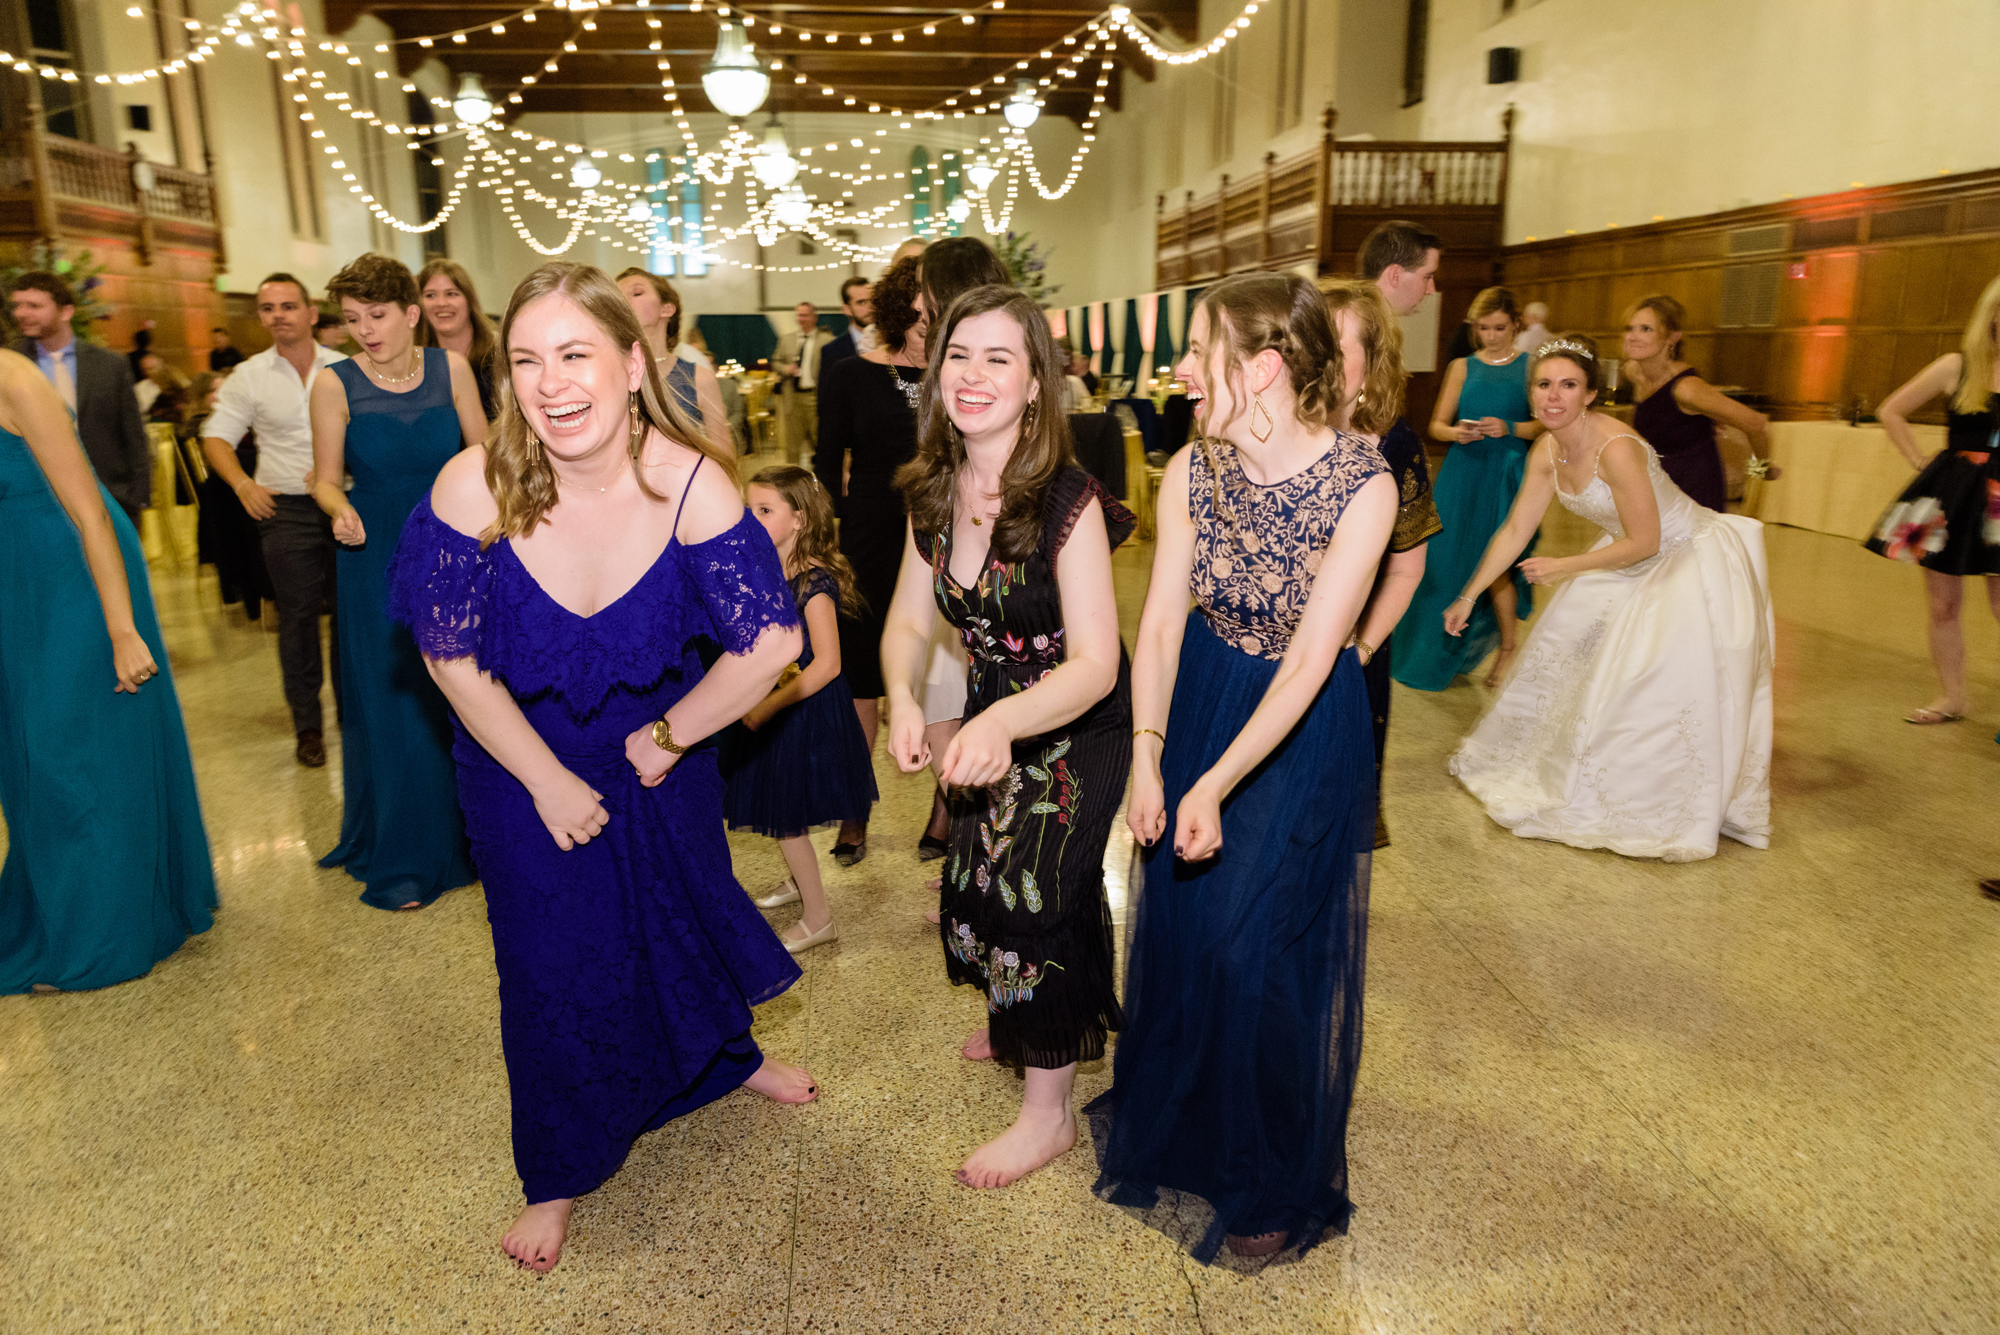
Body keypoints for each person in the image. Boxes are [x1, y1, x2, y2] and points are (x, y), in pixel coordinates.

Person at [387, 260, 817, 1274]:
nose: (549, 381)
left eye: (574, 353)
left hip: (654, 751)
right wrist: (543, 778)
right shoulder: (472, 484)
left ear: (632, 362)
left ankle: (722, 1062)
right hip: (511, 754)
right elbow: (447, 659)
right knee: (551, 963)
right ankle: (558, 1170)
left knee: (677, 910)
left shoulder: (691, 481)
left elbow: (773, 643)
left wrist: (672, 736)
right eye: (525, 359)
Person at [1089, 272, 1396, 1267]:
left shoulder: (1365, 486)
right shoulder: (1191, 468)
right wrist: (1147, 757)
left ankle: (1270, 1174)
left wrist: (1213, 782)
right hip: (1204, 695)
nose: (1178, 369)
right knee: (1182, 923)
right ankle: (1184, 1129)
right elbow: (1161, 621)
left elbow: (1314, 658)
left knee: (1254, 946)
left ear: (1261, 366)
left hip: (1299, 724)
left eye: (1198, 350)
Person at [881, 283, 1133, 1190]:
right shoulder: (932, 492)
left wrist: (994, 719)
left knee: (1037, 891)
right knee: (979, 874)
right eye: (959, 355)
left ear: (1036, 384)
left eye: (1000, 359)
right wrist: (904, 701)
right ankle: (1013, 1017)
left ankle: (1049, 1112)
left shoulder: (1069, 502)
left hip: (1074, 720)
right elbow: (910, 623)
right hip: (994, 711)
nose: (974, 375)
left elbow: (1097, 663)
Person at [1447, 335, 1774, 861]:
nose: (1554, 397)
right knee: (1580, 661)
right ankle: (1583, 769)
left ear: (1591, 395)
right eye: (1544, 385)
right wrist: (1468, 594)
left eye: (1568, 386)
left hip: (1688, 555)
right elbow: (1512, 530)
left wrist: (1564, 566)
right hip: (1626, 553)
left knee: (1647, 677)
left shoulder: (1617, 449)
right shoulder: (1546, 449)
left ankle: (1658, 792)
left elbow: (1646, 541)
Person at [0, 345, 216, 994]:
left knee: (69, 746)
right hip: (15, 586)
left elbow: (89, 509)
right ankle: (65, 909)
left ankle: (103, 932)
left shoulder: (16, 379)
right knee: (26, 756)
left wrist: (123, 630)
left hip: (74, 571)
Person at [814, 237, 1012, 865]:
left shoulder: (967, 374)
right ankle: (853, 810)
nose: (922, 293)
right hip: (872, 531)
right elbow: (825, 466)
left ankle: (947, 810)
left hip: (949, 525)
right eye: (914, 280)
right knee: (862, 676)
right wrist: (824, 544)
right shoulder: (849, 372)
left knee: (944, 676)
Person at [309, 253, 485, 910]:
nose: (365, 330)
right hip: (373, 549)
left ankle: (476, 837)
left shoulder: (453, 369)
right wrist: (338, 507)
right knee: (396, 704)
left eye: (377, 315)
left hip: (449, 543)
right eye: (353, 319)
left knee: (460, 693)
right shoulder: (334, 383)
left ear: (411, 313)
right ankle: (407, 851)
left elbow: (486, 455)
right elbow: (324, 476)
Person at [722, 464, 878, 954]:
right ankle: (799, 882)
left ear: (800, 519)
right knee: (776, 804)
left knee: (786, 818)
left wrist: (768, 708)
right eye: (749, 508)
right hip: (778, 702)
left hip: (803, 708)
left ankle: (818, 918)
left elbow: (828, 664)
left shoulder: (814, 582)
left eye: (765, 510)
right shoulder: (769, 568)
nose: (752, 518)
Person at [201, 274, 350, 767]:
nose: (279, 314)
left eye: (289, 305)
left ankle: (354, 715)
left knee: (351, 616)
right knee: (299, 618)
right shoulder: (249, 375)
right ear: (262, 317)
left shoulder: (348, 366)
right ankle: (308, 726)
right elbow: (216, 436)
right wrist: (243, 485)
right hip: (286, 510)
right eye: (268, 308)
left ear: (312, 313)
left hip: (348, 504)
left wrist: (341, 467)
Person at [1863, 273, 2000, 724]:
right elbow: (1891, 409)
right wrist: (1920, 461)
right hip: (1956, 494)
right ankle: (1952, 697)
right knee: (1944, 605)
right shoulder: (1955, 366)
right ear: (1991, 313)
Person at [1347, 220, 1445, 845]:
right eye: (1428, 276)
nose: (1432, 291)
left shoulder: (1395, 441)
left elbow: (1409, 561)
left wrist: (1359, 647)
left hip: (1361, 613)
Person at [1394, 286, 1541, 691]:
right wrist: (1456, 432)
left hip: (1507, 473)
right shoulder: (1463, 366)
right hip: (1464, 471)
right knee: (1445, 559)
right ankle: (1436, 649)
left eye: (1499, 327)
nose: (1491, 336)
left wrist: (1509, 427)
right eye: (1483, 328)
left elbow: (1546, 424)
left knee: (1497, 563)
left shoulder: (1532, 367)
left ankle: (1508, 647)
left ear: (1515, 324)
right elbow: (1435, 425)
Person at [8, 273, 151, 526]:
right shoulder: (9, 365)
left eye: (34, 306)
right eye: (17, 305)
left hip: (110, 498)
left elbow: (133, 435)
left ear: (66, 312)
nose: (21, 313)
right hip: (33, 503)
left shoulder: (110, 365)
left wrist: (136, 499)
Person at [1622, 294, 1777, 512]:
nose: (1633, 336)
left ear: (1672, 337)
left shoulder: (1686, 388)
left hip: (1693, 487)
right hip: (1658, 480)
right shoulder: (1635, 372)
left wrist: (1763, 469)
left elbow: (1756, 423)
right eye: (1630, 328)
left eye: (1646, 329)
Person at [614, 267, 730, 456]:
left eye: (636, 293)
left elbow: (723, 454)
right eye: (617, 296)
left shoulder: (699, 379)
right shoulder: (606, 374)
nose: (623, 301)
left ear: (666, 309)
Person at [417, 259, 502, 422]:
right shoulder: (416, 364)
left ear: (469, 301)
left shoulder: (500, 355)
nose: (441, 303)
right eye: (430, 295)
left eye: (451, 294)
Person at [773, 301, 834, 464]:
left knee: (820, 440)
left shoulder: (827, 340)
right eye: (799, 315)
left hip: (815, 397)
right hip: (792, 397)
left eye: (805, 315)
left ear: (814, 317)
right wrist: (785, 368)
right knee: (792, 444)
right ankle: (793, 481)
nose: (802, 319)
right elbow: (775, 362)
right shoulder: (786, 340)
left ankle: (823, 477)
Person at [821, 276, 874, 371]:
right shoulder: (832, 351)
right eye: (861, 302)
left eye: (873, 300)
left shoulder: (893, 343)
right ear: (847, 309)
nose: (870, 307)